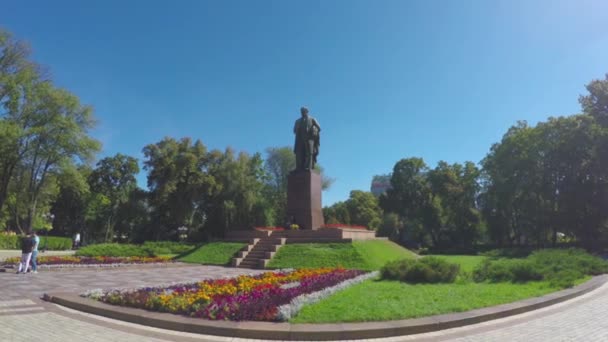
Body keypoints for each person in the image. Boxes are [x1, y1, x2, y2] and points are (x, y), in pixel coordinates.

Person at [293, 106, 321, 171]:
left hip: (309, 139)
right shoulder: (297, 121)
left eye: (304, 111)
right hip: (299, 139)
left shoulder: (312, 119)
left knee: (309, 153)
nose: (302, 113)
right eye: (301, 111)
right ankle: (298, 168)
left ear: (307, 112)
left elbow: (319, 128)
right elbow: (294, 130)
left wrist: (314, 129)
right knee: (299, 154)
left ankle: (309, 166)